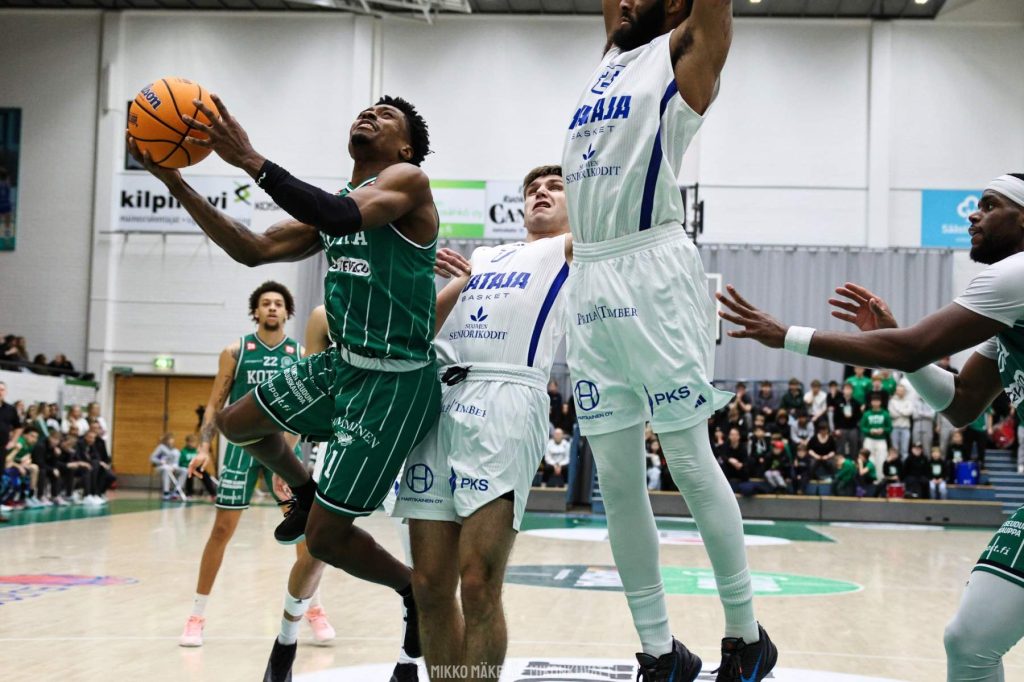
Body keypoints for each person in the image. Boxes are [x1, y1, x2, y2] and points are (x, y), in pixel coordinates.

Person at [133, 94, 440, 681]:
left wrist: (249, 159)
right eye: (367, 108)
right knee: (237, 423)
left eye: (386, 116)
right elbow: (252, 249)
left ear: (405, 147)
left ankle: (412, 591)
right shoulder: (339, 204)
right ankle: (302, 490)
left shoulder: (408, 182)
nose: (370, 114)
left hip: (394, 384)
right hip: (343, 366)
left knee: (324, 541)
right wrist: (175, 182)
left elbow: (341, 216)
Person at [716, 172, 1024, 680]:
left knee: (971, 642)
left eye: (990, 205)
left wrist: (786, 335)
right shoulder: (1007, 315)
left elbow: (912, 347)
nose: (974, 214)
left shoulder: (1015, 275)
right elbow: (963, 404)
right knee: (969, 641)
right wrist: (901, 345)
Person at [394, 165, 571, 682]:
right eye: (532, 189)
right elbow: (424, 326)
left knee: (477, 583)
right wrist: (438, 277)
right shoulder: (484, 256)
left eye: (555, 187)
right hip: (441, 398)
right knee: (429, 585)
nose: (540, 193)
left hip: (507, 398)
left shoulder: (573, 249)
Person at [172, 283, 336, 657]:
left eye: (278, 303)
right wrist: (203, 447)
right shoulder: (235, 352)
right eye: (266, 303)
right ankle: (196, 615)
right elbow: (215, 404)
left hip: (283, 451)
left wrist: (290, 453)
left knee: (305, 534)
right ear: (255, 311)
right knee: (221, 530)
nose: (272, 308)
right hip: (241, 451)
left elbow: (306, 404)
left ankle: (313, 609)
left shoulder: (300, 353)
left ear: (288, 312)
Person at [858, 396, 891, 475]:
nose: (875, 403)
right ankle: (869, 477)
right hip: (869, 439)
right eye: (874, 401)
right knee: (868, 458)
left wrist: (883, 430)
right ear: (871, 402)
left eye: (877, 401)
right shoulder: (867, 414)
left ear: (880, 402)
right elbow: (862, 427)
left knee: (882, 458)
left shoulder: (885, 414)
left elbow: (889, 427)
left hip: (881, 439)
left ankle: (881, 477)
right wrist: (870, 430)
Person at [150, 432, 187, 501]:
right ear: (166, 440)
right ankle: (166, 493)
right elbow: (152, 458)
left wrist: (174, 466)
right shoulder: (161, 447)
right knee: (166, 470)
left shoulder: (175, 450)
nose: (172, 440)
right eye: (170, 439)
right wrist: (160, 461)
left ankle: (177, 492)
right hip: (161, 467)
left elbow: (176, 462)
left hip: (172, 468)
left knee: (184, 470)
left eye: (172, 439)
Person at [888, 384, 914, 459]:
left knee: (904, 450)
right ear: (896, 391)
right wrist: (903, 412)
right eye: (899, 390)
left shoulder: (909, 401)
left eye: (902, 391)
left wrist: (898, 410)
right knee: (895, 450)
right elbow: (892, 414)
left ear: (905, 392)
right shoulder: (892, 401)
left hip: (905, 428)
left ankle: (904, 466)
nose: (900, 392)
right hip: (895, 428)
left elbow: (909, 412)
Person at [0, 382, 22, 451]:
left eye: (2, 390)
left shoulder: (11, 409)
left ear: (5, 392)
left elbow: (18, 427)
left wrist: (13, 441)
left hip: (2, 447)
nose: (0, 392)